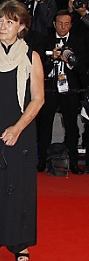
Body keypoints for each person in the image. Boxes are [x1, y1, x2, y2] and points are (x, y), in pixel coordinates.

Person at [0, 0, 44, 261]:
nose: (3, 26)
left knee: (20, 188)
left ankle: (20, 242)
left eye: (10, 21)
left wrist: (18, 128)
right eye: (1, 20)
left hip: (21, 130)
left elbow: (38, 99)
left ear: (22, 27)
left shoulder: (31, 57)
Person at [36, 10, 87, 175]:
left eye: (66, 23)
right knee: (44, 126)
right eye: (60, 23)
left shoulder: (79, 42)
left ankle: (73, 163)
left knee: (72, 127)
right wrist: (53, 59)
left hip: (70, 91)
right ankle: (41, 161)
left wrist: (70, 61)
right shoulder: (45, 41)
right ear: (54, 24)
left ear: (71, 25)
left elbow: (83, 69)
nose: (63, 27)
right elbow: (38, 67)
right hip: (49, 90)